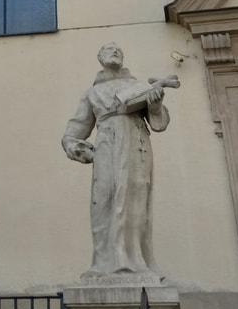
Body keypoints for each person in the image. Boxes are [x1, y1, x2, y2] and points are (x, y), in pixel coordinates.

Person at [62, 44, 178, 277]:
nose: (114, 50)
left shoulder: (137, 86)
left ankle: (134, 263)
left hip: (136, 145)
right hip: (105, 146)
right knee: (102, 201)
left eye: (118, 49)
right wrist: (79, 148)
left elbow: (159, 123)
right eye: (108, 49)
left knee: (133, 198)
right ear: (99, 58)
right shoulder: (91, 93)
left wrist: (155, 104)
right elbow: (74, 131)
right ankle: (103, 265)